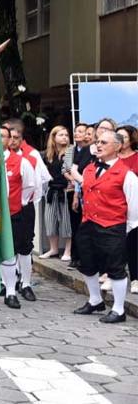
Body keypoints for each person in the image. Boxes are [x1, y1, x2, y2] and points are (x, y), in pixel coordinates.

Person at [73, 129, 138, 323]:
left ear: (117, 147)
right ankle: (95, 300)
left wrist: (126, 227)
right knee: (87, 263)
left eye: (104, 142)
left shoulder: (127, 175)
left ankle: (119, 309)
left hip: (113, 225)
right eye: (98, 142)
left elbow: (134, 204)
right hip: (88, 223)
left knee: (115, 267)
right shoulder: (89, 169)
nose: (98, 145)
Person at [2, 126, 38, 305]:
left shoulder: (23, 161)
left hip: (18, 212)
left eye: (4, 136)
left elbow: (30, 185)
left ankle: (25, 283)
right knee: (2, 250)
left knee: (23, 247)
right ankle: (0, 284)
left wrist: (20, 202)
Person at [42, 126, 73, 261]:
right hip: (51, 190)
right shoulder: (48, 154)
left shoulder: (71, 152)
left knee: (66, 222)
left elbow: (70, 171)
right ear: (54, 137)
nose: (64, 137)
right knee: (50, 221)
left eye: (66, 135)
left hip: (66, 190)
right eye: (61, 135)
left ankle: (68, 250)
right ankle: (53, 249)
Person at [65, 123, 94, 270]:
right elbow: (76, 172)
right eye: (85, 133)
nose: (86, 136)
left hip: (97, 198)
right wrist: (77, 194)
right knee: (79, 228)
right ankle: (78, 257)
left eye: (88, 133)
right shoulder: (82, 152)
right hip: (82, 194)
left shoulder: (97, 154)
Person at [116, 125, 138, 294]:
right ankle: (114, 275)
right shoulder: (112, 159)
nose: (120, 140)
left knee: (133, 243)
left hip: (134, 205)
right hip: (114, 207)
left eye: (123, 137)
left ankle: (135, 278)